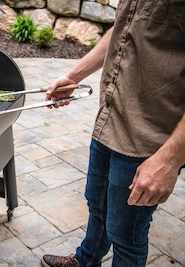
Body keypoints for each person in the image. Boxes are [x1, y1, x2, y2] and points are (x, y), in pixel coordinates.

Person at [40, 0, 185, 266]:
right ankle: (86, 260)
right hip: (110, 119)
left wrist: (171, 160)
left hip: (149, 139)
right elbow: (126, 26)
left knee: (125, 235)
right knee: (97, 205)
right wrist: (74, 75)